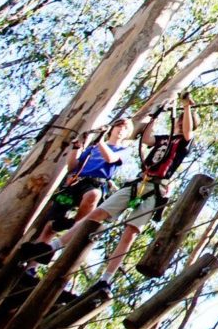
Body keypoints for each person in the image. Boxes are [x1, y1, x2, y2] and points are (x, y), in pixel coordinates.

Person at [47, 94, 196, 294]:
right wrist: (154, 117)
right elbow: (147, 139)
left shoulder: (184, 143)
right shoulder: (163, 139)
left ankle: (106, 279)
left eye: (182, 121)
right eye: (178, 120)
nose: (179, 122)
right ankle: (52, 247)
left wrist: (186, 107)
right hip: (137, 183)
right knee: (97, 214)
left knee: (129, 234)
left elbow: (187, 131)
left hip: (154, 190)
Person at [18, 119, 131, 264]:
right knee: (50, 225)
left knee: (93, 195)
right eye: (119, 126)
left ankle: (76, 224)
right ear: (113, 128)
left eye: (125, 129)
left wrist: (100, 141)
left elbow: (110, 159)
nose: (121, 130)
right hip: (75, 182)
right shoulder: (92, 148)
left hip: (95, 183)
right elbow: (73, 166)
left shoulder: (122, 150)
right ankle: (32, 264)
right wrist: (76, 148)